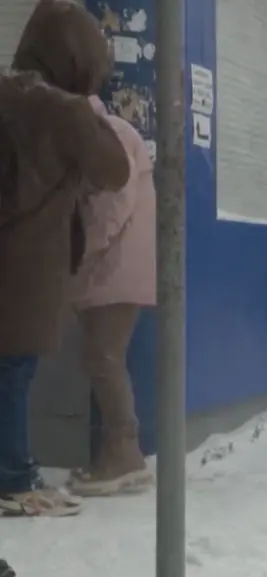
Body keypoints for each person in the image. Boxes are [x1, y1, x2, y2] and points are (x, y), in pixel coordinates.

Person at [0, 0, 131, 517]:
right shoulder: (67, 112)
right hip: (28, 266)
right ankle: (13, 477)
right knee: (14, 370)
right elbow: (115, 171)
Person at [66, 96, 156, 497]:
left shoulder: (112, 136)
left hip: (115, 267)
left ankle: (125, 454)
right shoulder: (107, 134)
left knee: (103, 357)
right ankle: (118, 452)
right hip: (116, 267)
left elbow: (110, 209)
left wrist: (79, 256)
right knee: (102, 357)